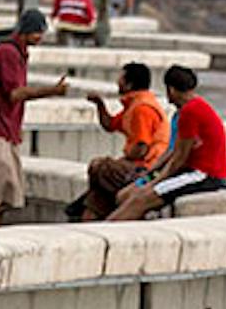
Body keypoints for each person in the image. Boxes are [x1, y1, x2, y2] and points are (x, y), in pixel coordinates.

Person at [0, 8, 68, 228]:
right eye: (37, 33)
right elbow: (15, 93)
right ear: (26, 31)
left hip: (7, 127)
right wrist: (52, 91)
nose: (40, 38)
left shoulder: (20, 53)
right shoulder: (8, 53)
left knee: (11, 186)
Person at [105, 65, 226, 220]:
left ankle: (109, 229)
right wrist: (150, 174)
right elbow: (172, 151)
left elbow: (179, 159)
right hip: (191, 171)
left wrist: (154, 183)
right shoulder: (188, 109)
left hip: (204, 176)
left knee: (141, 199)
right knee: (125, 195)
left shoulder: (190, 112)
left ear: (170, 90)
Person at [66, 62, 169, 220]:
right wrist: (100, 105)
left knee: (99, 167)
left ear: (129, 84)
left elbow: (141, 148)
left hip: (146, 169)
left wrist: (121, 160)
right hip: (139, 164)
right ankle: (89, 208)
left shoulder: (142, 109)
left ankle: (85, 205)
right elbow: (110, 125)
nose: (117, 82)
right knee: (100, 185)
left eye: (120, 79)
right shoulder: (134, 105)